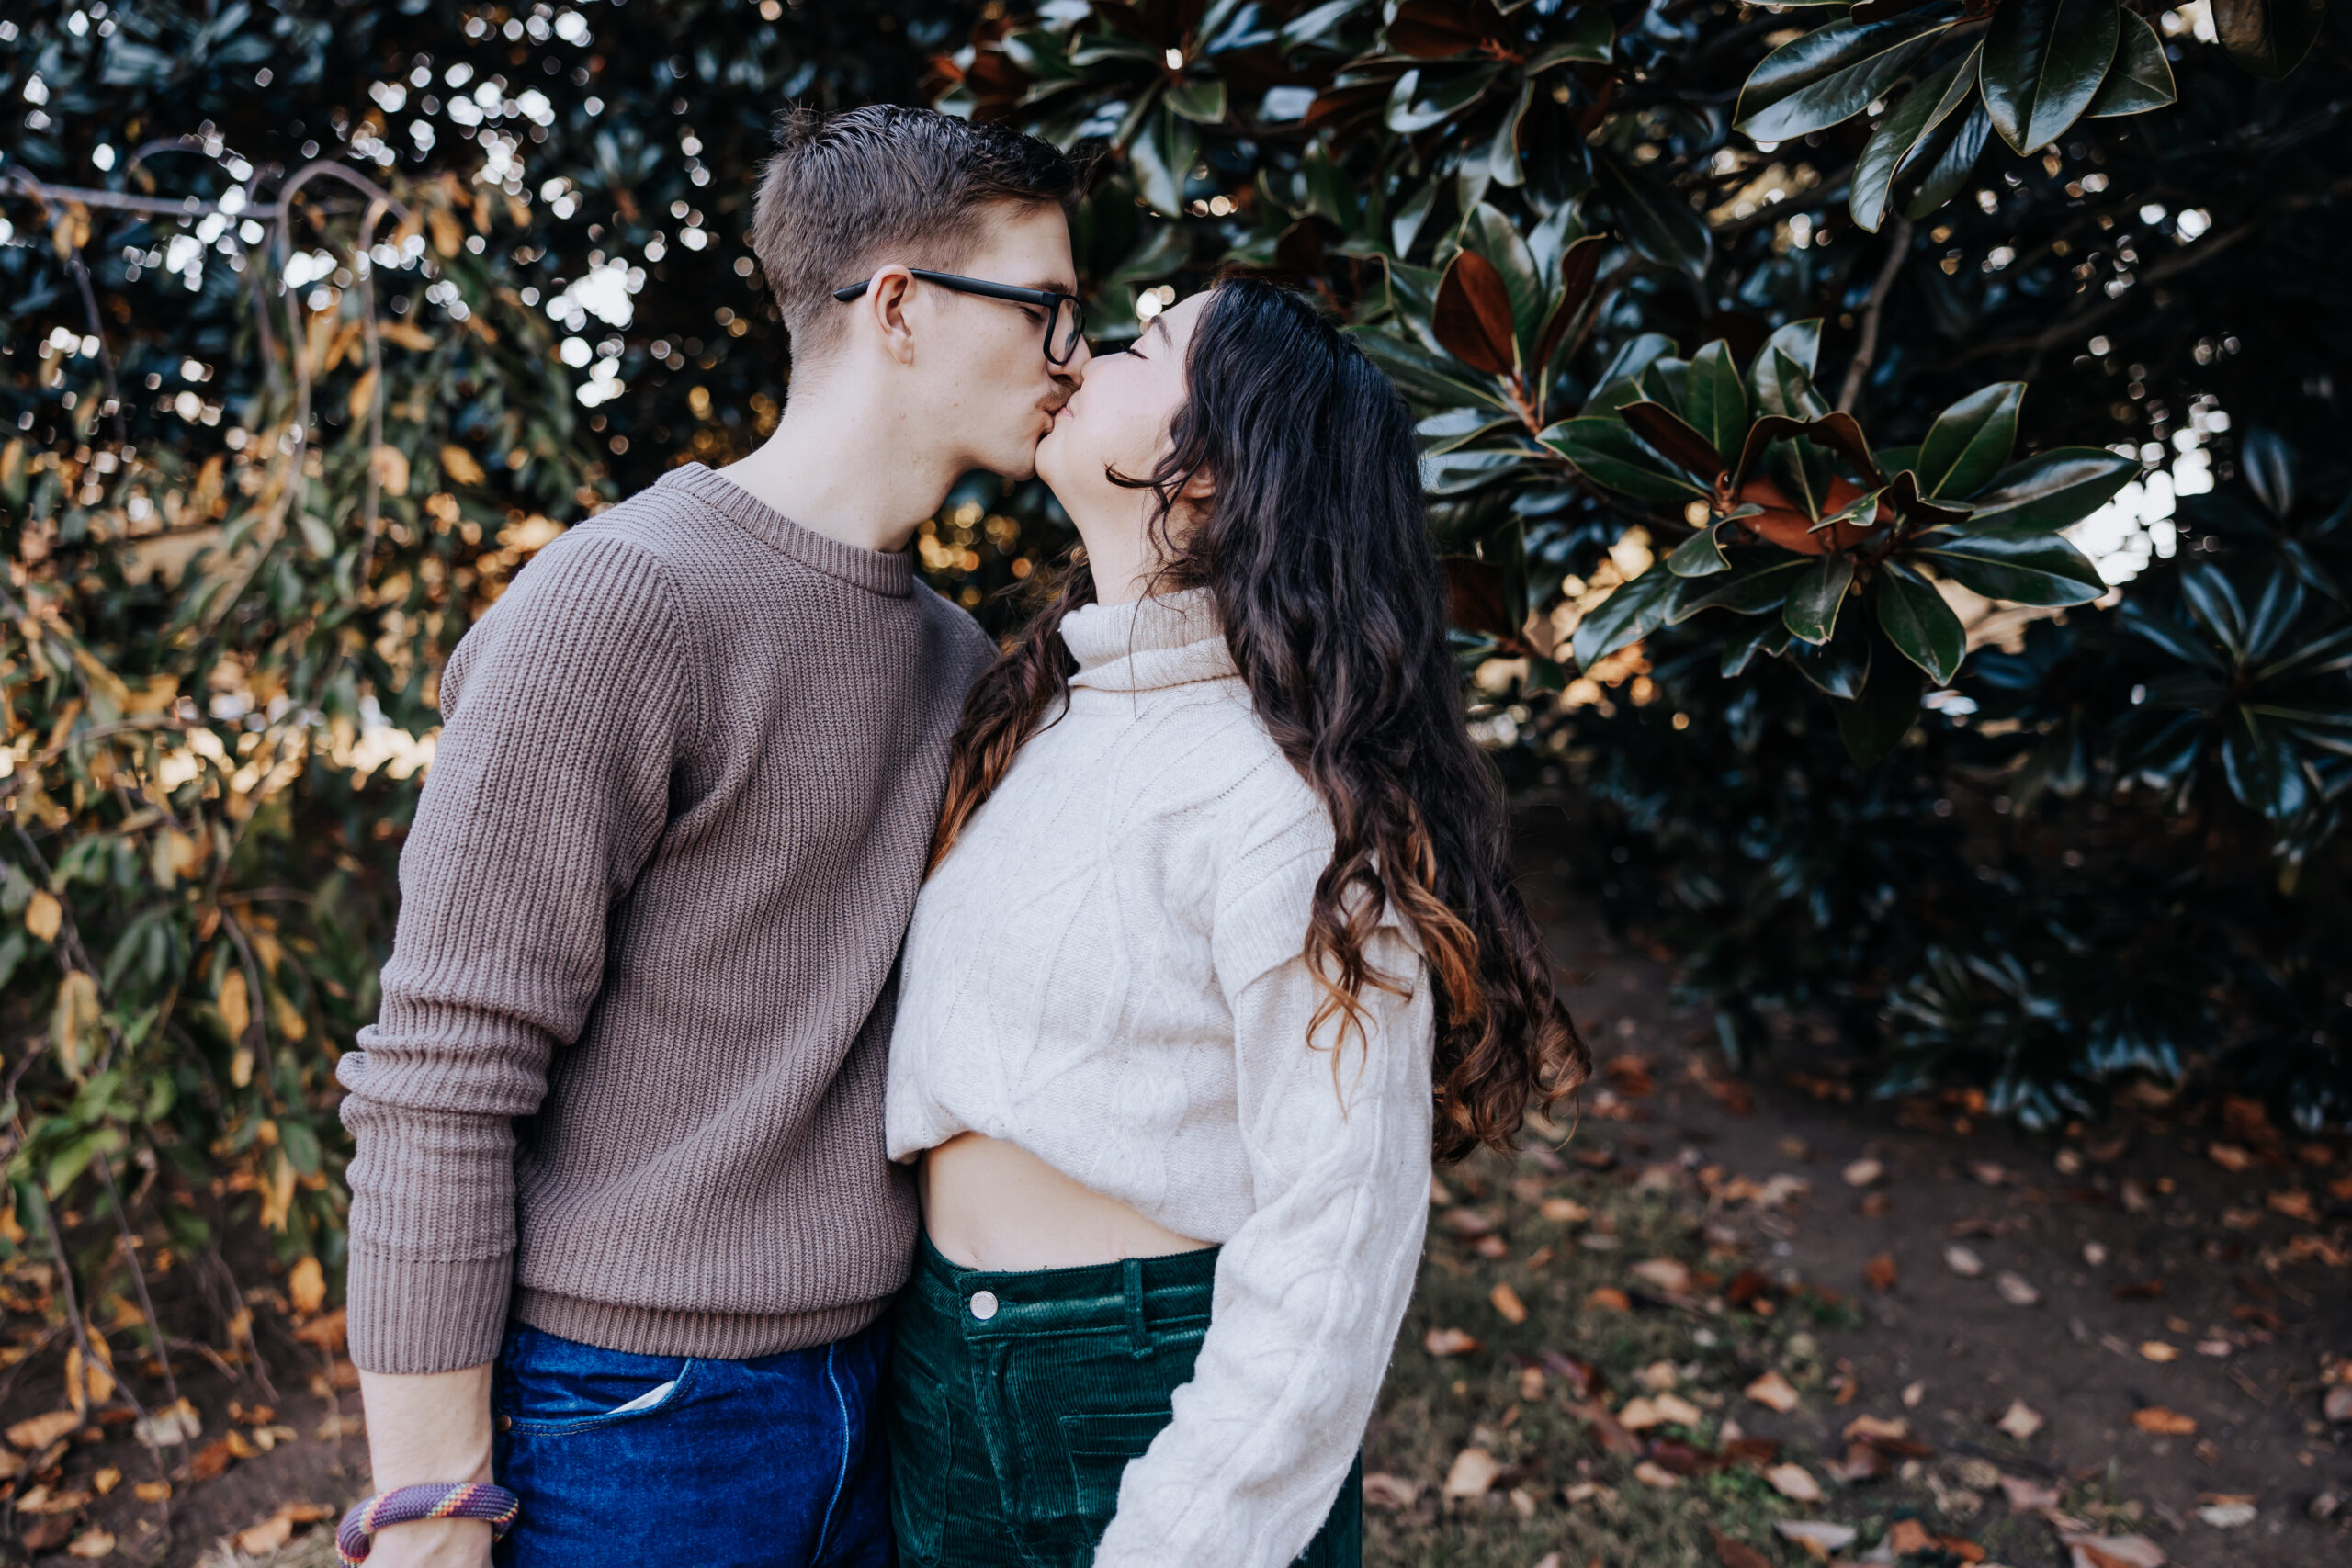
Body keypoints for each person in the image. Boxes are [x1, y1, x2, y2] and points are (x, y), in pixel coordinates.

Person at [334, 106, 1087, 1568]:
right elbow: (438, 1077)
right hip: (631, 1422)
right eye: (1047, 308)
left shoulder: (949, 658)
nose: (1074, 357)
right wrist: (427, 1512)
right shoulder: (622, 606)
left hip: (886, 1387)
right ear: (899, 310)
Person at [882, 276, 1590, 1568]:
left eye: (1146, 345)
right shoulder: (1036, 714)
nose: (1084, 352)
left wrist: (1190, 1537)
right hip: (939, 1365)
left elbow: (1340, 1231)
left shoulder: (1282, 807)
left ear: (1202, 467)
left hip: (1140, 1388)